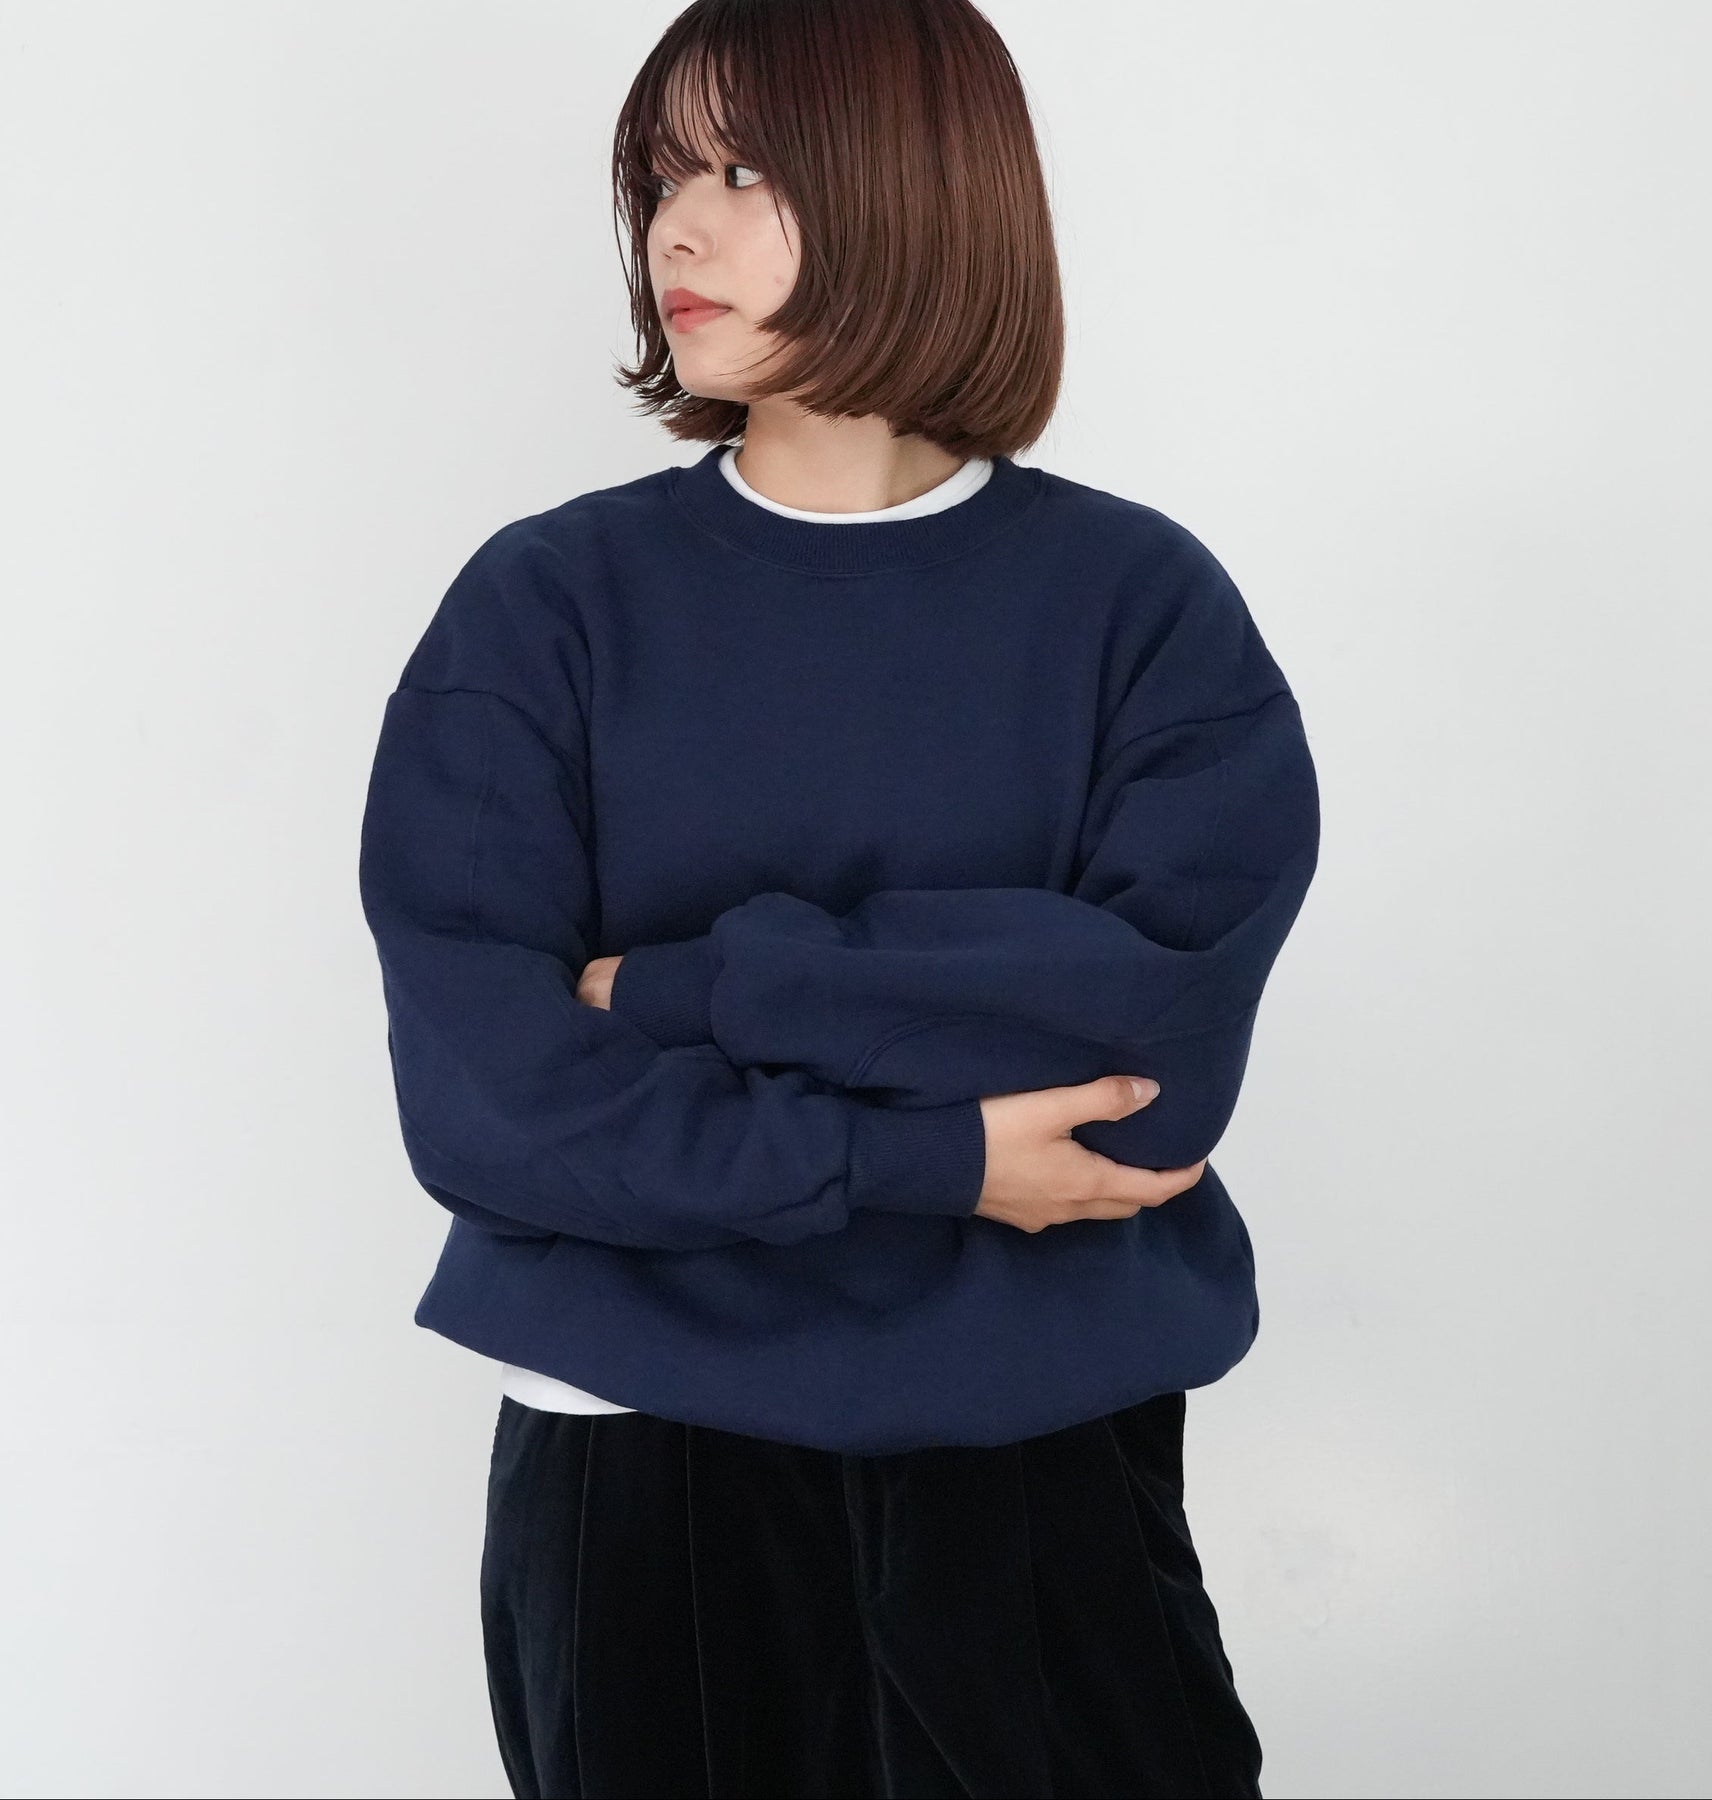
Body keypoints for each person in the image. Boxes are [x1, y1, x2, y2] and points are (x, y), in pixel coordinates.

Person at [357, 1, 1321, 1793]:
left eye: (741, 169)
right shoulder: (546, 606)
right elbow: (494, 1109)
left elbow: (1149, 1052)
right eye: (659, 176)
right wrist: (931, 1158)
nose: (677, 228)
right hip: (644, 1458)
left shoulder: (1137, 603)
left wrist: (674, 993)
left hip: (1041, 1443)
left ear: (916, 184)